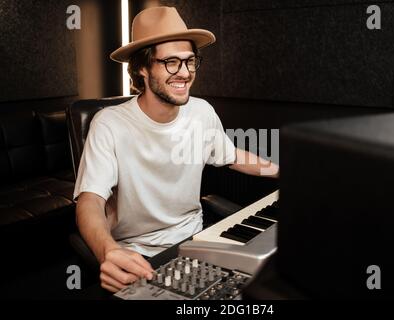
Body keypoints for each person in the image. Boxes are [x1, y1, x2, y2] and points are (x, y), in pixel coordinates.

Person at [73, 6, 279, 293]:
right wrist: (107, 251)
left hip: (196, 237)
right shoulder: (109, 124)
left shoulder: (202, 111)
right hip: (138, 253)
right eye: (171, 62)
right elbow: (90, 200)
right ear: (142, 68)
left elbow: (233, 156)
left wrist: (286, 172)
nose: (184, 73)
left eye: (190, 61)